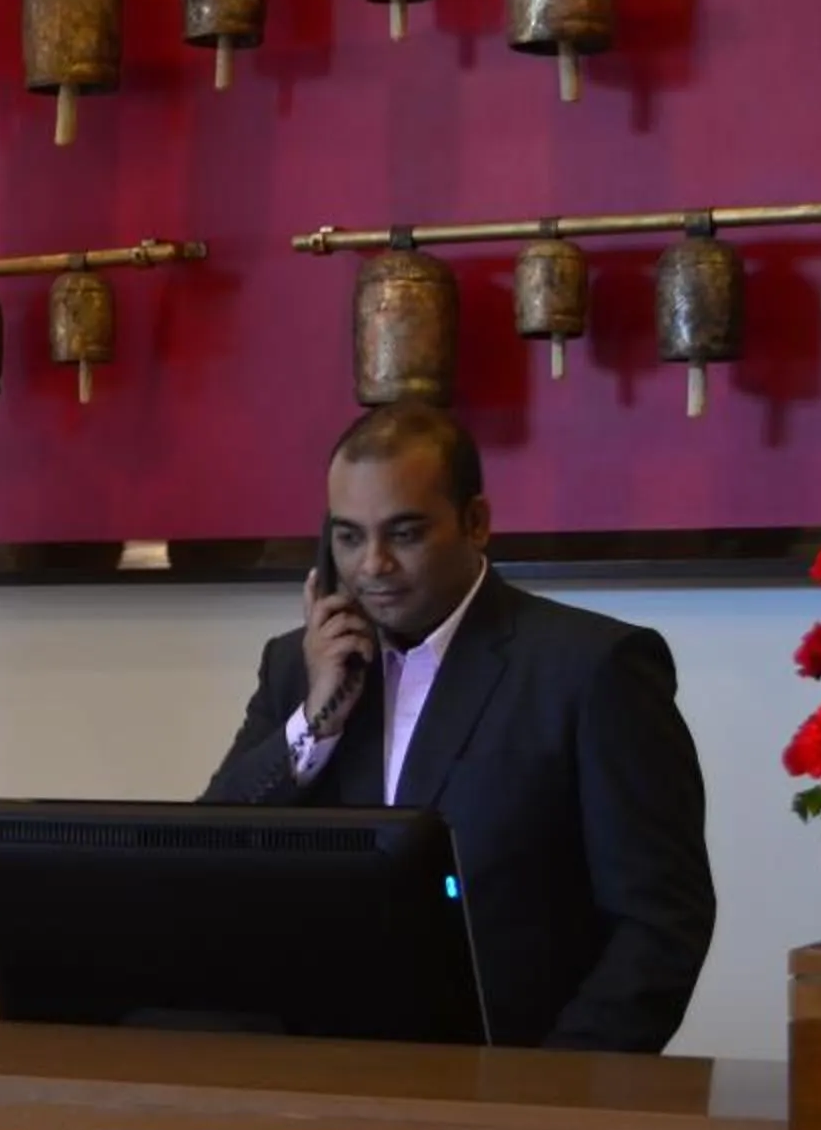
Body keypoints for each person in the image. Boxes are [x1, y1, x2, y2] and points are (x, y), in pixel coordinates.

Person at [201, 402, 716, 1052]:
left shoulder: (592, 670)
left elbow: (661, 922)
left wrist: (560, 1091)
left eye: (405, 533)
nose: (373, 566)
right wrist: (316, 717)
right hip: (323, 1083)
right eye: (349, 536)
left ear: (475, 523)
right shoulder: (296, 666)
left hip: (518, 1086)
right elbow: (209, 857)